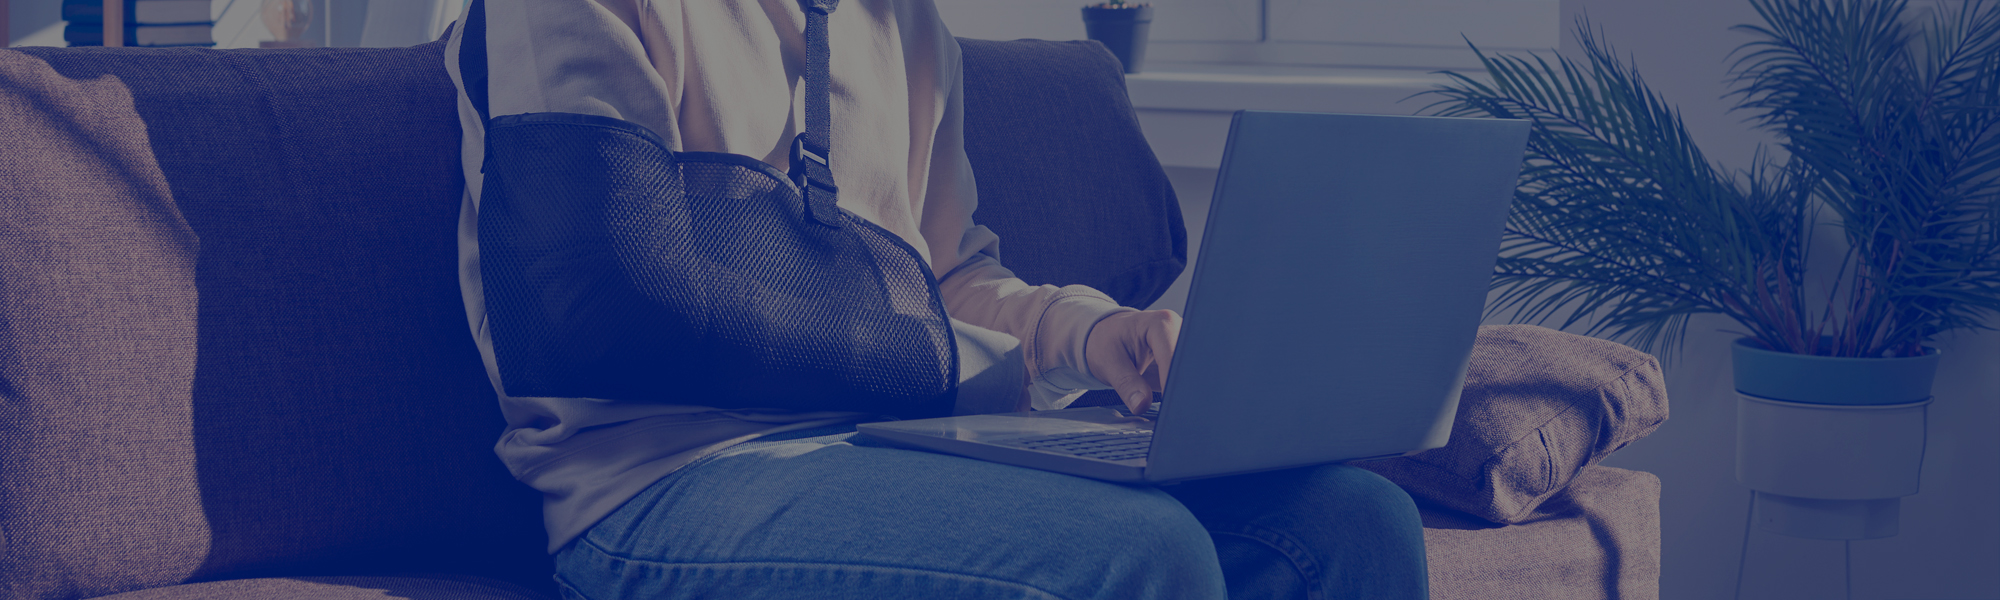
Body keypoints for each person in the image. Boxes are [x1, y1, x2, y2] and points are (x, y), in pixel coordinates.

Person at [443, 1, 1430, 598]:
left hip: (897, 447)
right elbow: (609, 304)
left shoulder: (898, 20)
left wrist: (1098, 337)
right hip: (661, 480)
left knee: (1351, 524)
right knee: (1140, 556)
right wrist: (950, 359)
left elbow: (944, 280)